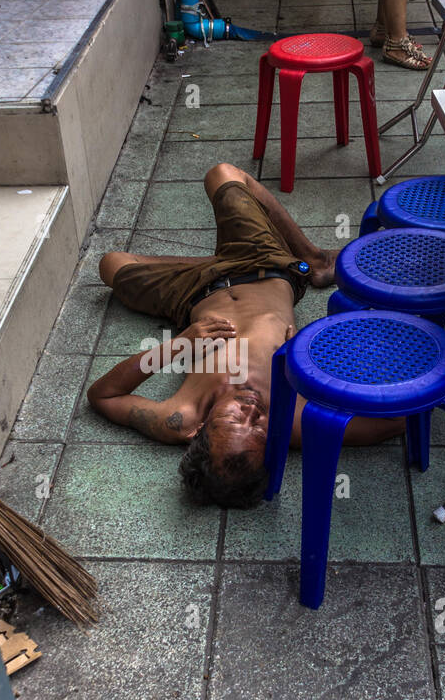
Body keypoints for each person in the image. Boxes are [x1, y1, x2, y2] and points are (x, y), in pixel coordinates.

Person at [90, 164, 401, 507]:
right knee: (223, 175)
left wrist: (180, 344)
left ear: (200, 431)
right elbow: (393, 422)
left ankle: (247, 261)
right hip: (263, 265)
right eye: (261, 428)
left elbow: (103, 396)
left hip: (190, 293)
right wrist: (318, 356)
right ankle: (309, 263)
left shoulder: (179, 418)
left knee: (111, 263)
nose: (253, 411)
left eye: (237, 418)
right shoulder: (293, 422)